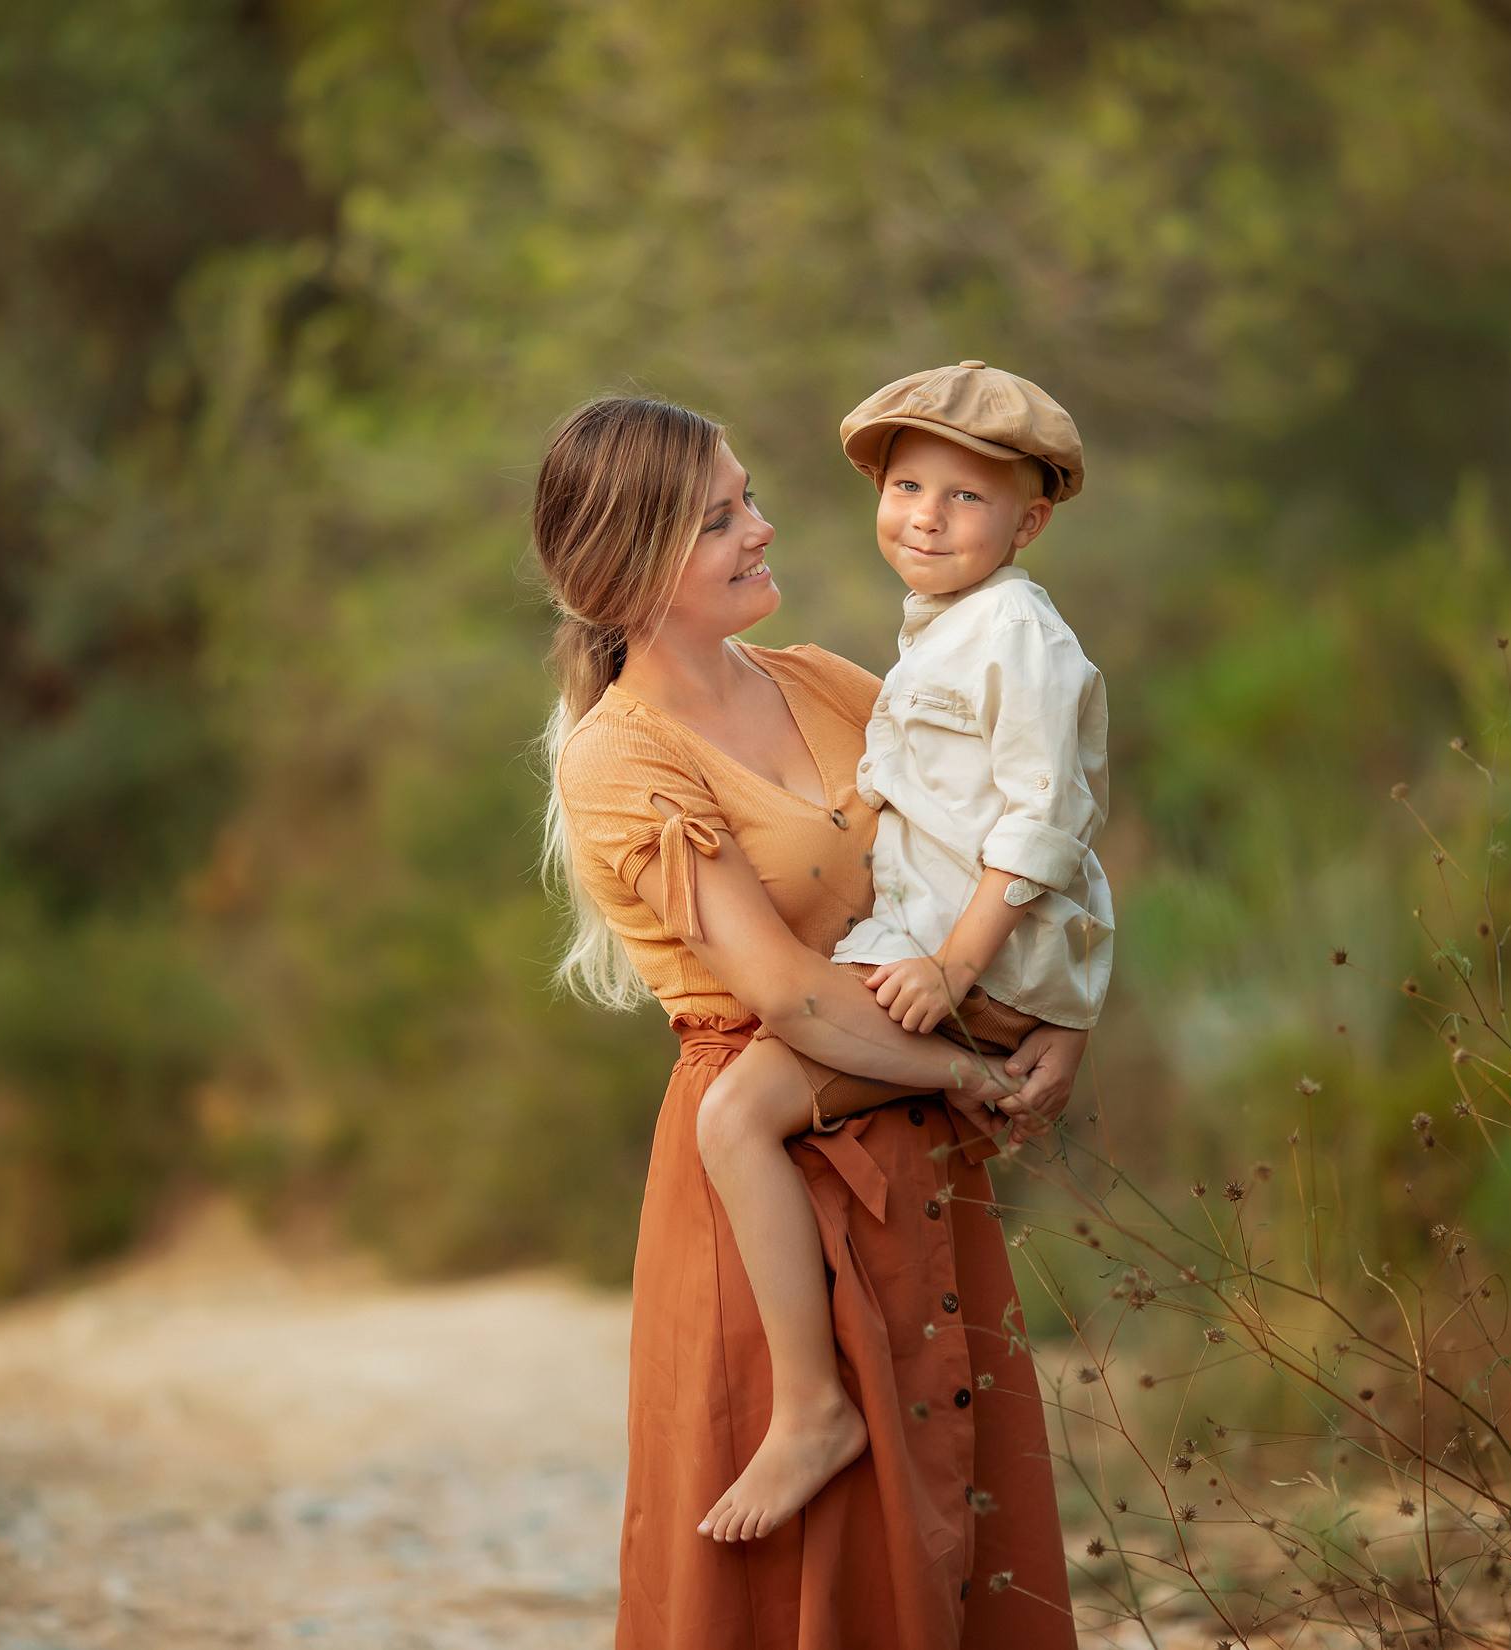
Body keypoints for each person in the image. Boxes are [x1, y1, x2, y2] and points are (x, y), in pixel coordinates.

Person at [539, 395, 1082, 1649]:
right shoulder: (618, 758)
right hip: (765, 1167)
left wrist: (1059, 1016)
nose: (764, 528)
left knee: (952, 1515)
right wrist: (968, 1069)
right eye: (723, 517)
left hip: (913, 1141)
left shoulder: (835, 685)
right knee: (811, 1564)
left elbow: (1001, 838)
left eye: (750, 499)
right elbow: (782, 991)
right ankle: (806, 1407)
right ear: (633, 561)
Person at [693, 363, 1112, 1547]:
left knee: (733, 1117)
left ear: (1030, 522)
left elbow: (1047, 821)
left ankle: (813, 1410)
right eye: (908, 485)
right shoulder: (947, 630)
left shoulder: (1016, 635)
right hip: (946, 954)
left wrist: (962, 971)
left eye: (966, 499)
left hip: (957, 967)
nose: (925, 516)